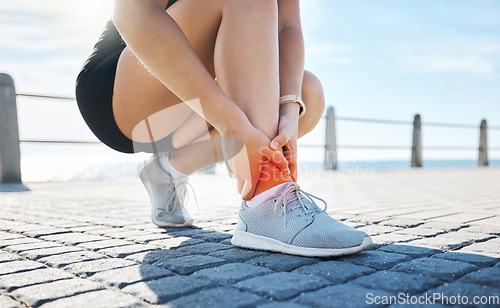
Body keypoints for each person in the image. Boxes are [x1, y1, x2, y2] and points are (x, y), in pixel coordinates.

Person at [76, 0, 372, 257]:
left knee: (308, 94)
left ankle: (167, 171)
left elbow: (286, 27)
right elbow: (132, 13)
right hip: (121, 94)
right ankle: (266, 201)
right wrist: (232, 123)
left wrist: (289, 108)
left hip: (185, 103)